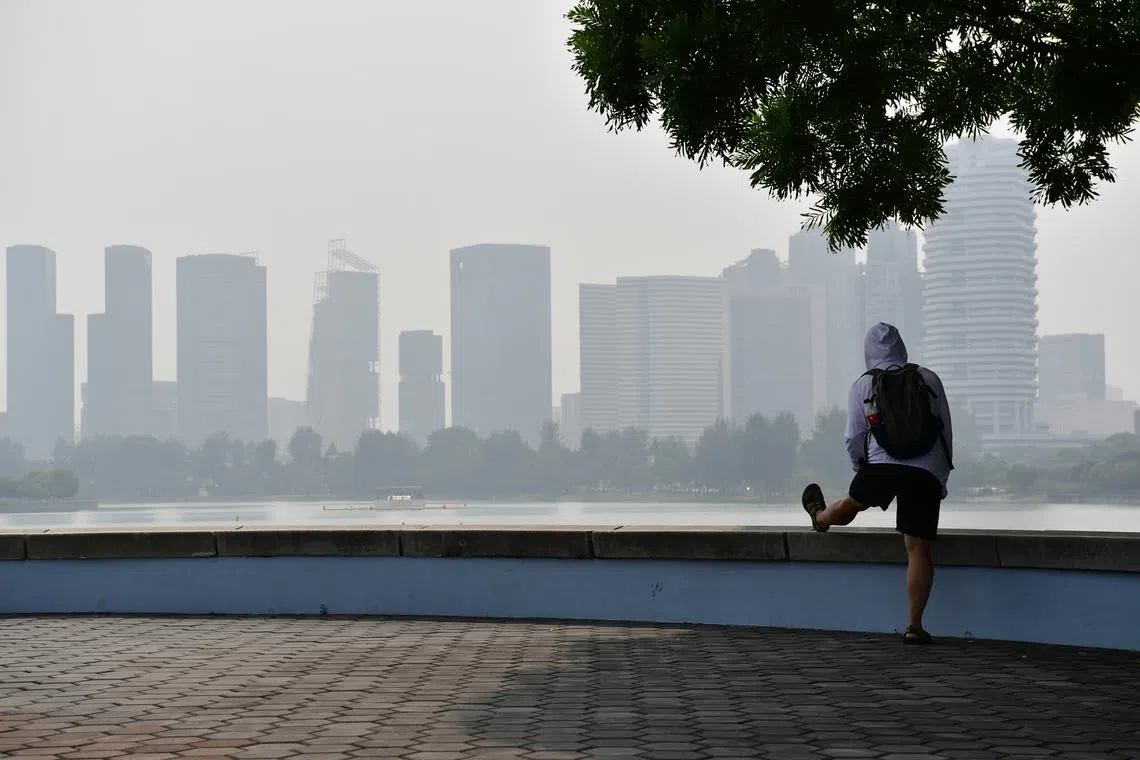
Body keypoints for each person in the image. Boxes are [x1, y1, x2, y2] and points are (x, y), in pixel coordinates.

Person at [801, 322, 953, 645]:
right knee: (918, 548)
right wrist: (940, 476)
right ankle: (914, 626)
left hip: (882, 464)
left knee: (852, 503)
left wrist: (861, 469)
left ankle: (821, 518)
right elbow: (944, 431)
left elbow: (854, 437)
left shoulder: (863, 385)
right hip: (926, 468)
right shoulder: (928, 378)